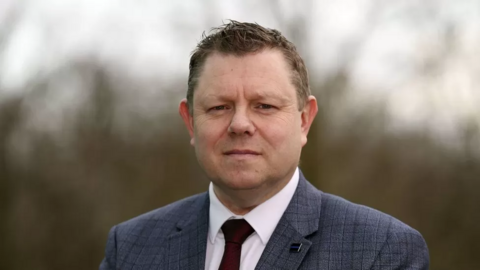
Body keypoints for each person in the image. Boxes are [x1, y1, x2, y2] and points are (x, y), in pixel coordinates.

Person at [99, 20, 429, 270]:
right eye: (219, 107)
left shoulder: (381, 251)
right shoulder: (130, 248)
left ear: (304, 120)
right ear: (190, 122)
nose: (240, 124)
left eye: (264, 106)